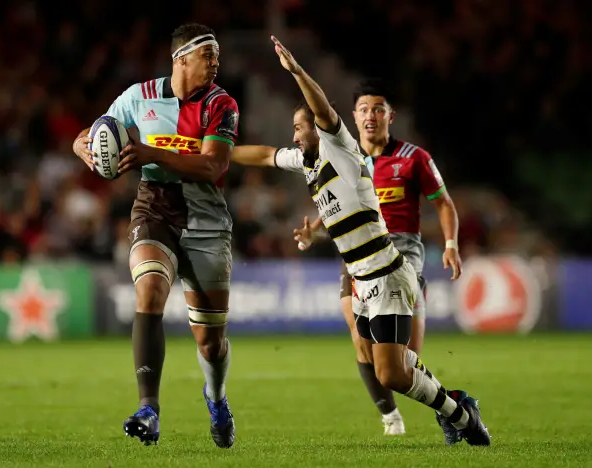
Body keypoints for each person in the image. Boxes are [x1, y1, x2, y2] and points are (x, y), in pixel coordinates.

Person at [231, 35, 490, 446]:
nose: (294, 137)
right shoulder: (308, 161)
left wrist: (297, 71)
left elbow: (321, 109)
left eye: (300, 128)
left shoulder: (342, 148)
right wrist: (216, 151)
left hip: (388, 270)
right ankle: (451, 410)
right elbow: (263, 155)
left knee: (394, 371)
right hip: (362, 276)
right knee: (380, 361)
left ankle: (458, 411)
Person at [72, 23, 239, 448]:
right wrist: (87, 150)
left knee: (211, 341)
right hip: (154, 209)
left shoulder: (222, 104)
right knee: (148, 289)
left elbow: (212, 167)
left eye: (217, 56)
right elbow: (88, 135)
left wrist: (148, 152)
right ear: (181, 58)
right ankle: (149, 408)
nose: (216, 63)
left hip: (207, 222)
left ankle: (216, 398)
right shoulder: (138, 96)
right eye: (208, 56)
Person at [290, 78, 463, 436]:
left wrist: (450, 244)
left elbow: (443, 202)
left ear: (390, 115)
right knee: (358, 333)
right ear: (354, 116)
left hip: (402, 250)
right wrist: (315, 231)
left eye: (378, 109)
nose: (371, 115)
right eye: (365, 109)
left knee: (405, 356)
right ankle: (390, 416)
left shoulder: (415, 158)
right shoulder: (341, 156)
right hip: (356, 251)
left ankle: (451, 407)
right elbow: (335, 207)